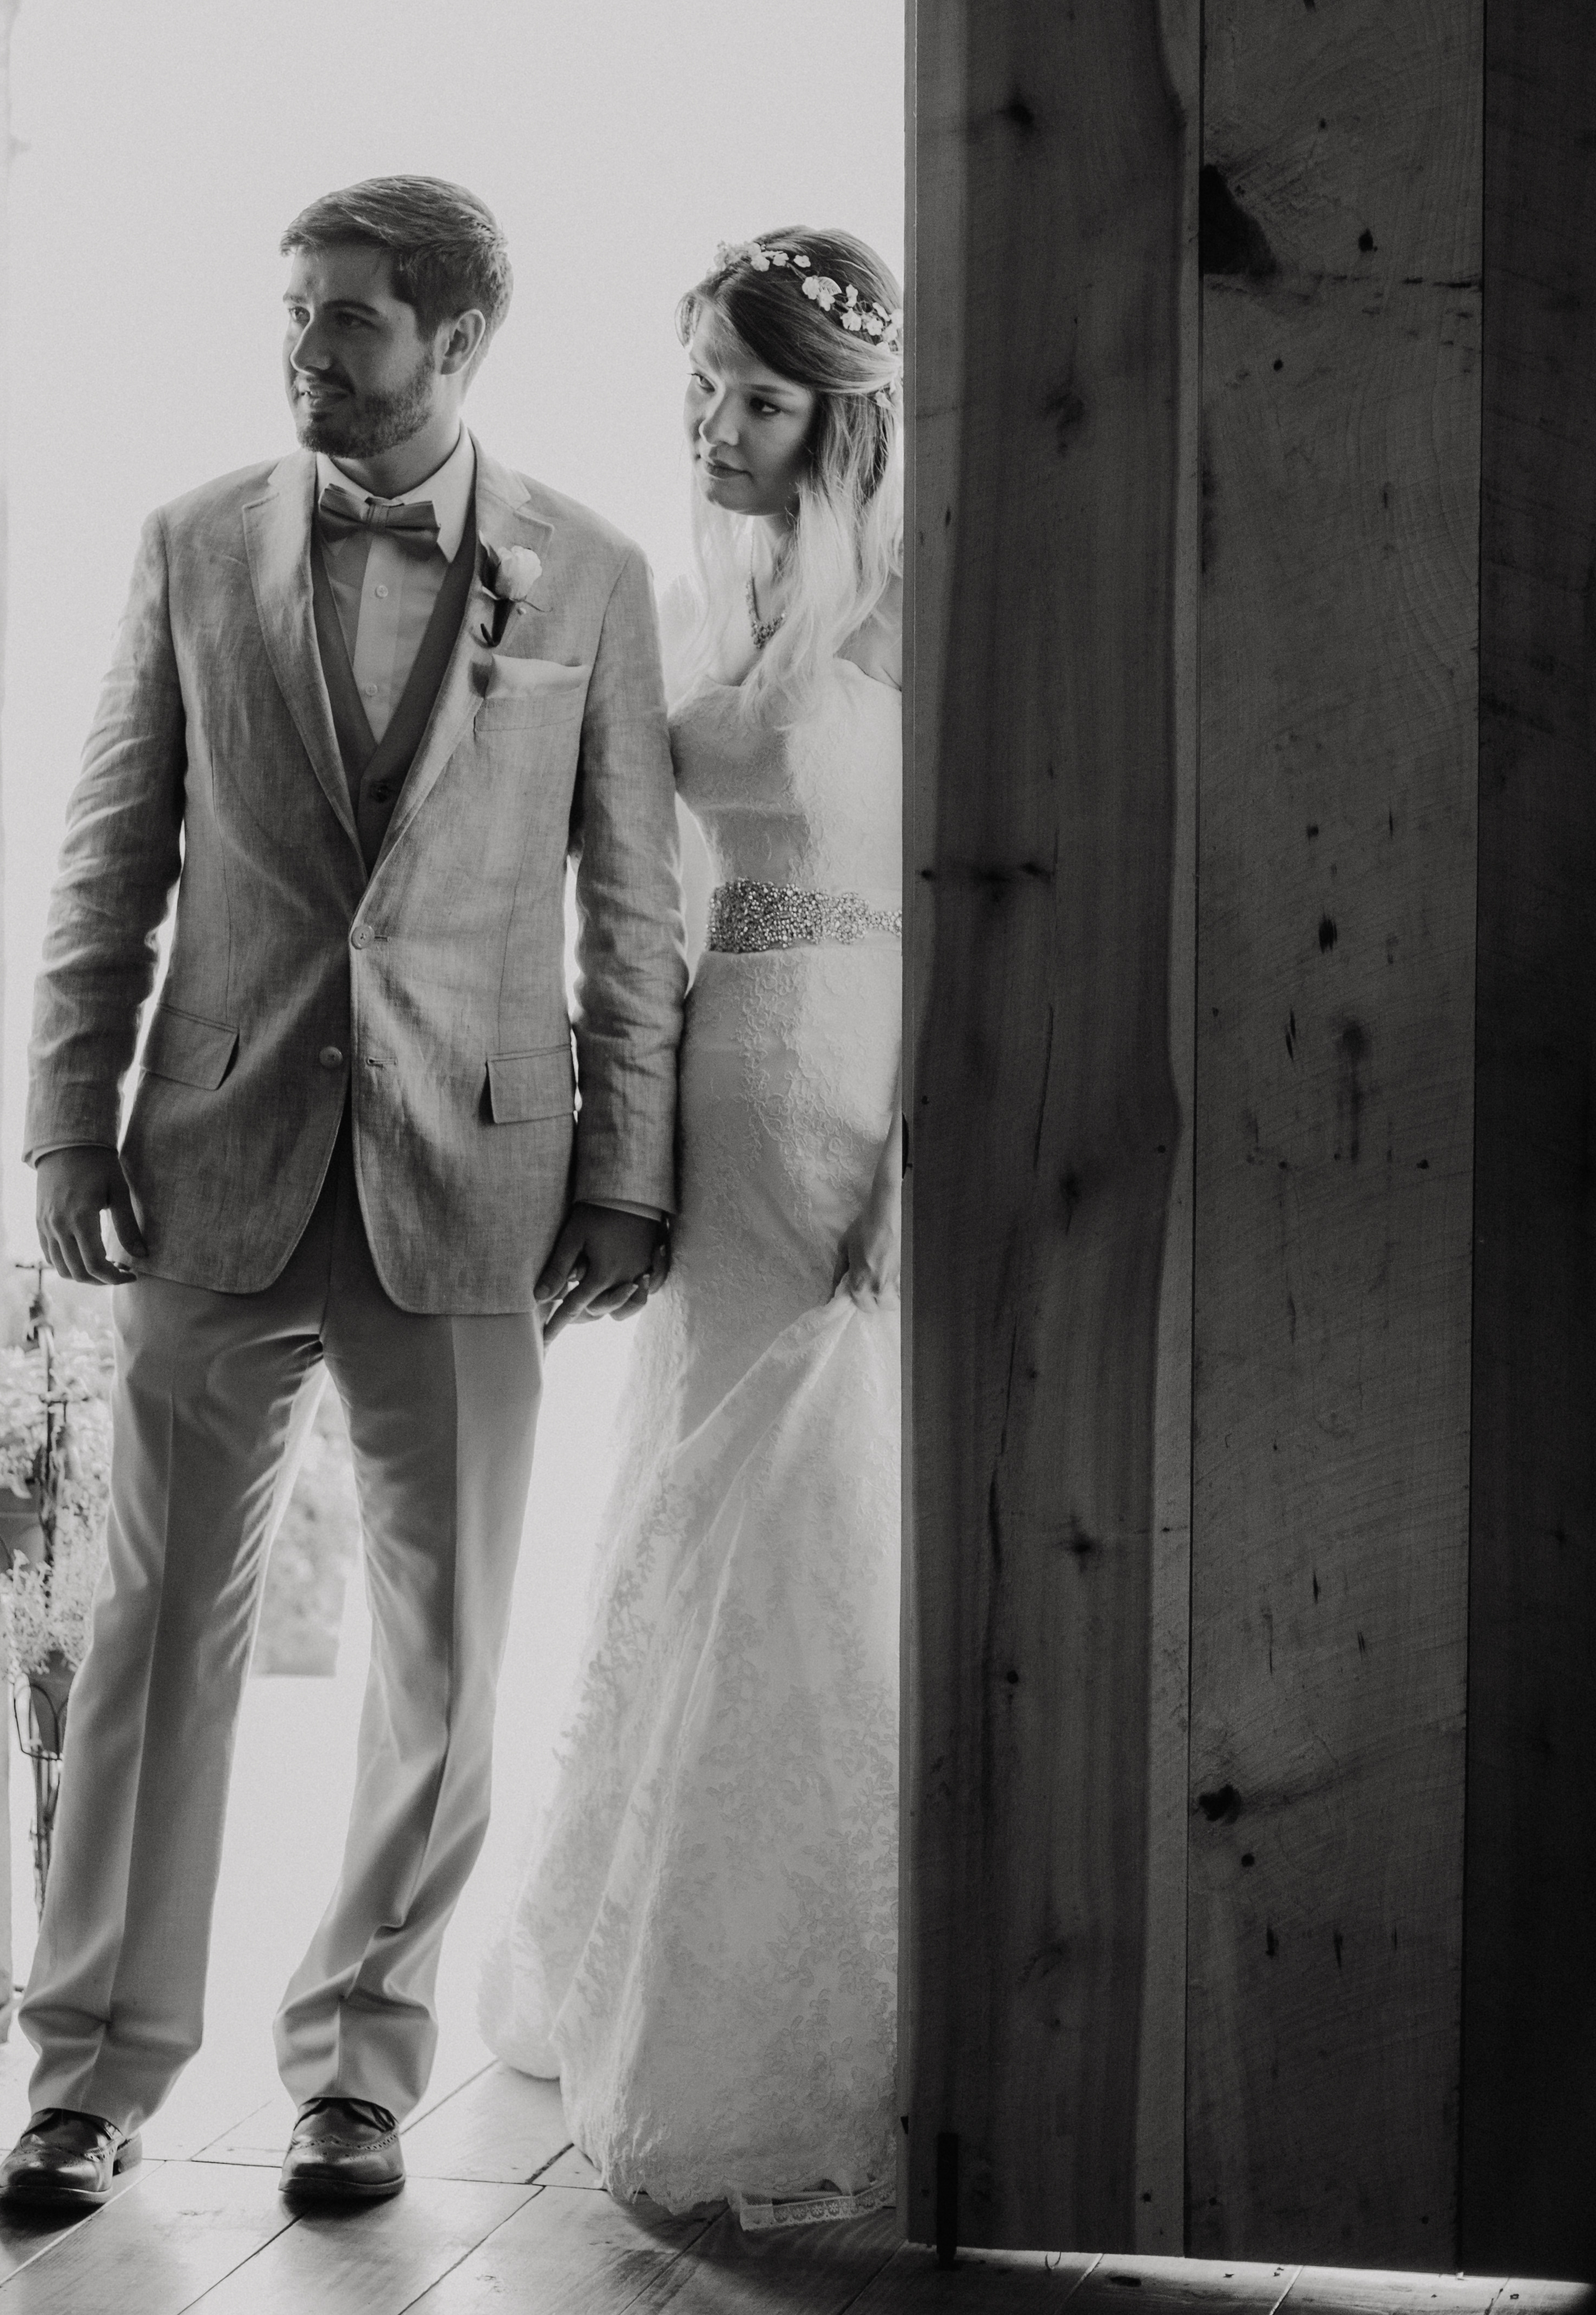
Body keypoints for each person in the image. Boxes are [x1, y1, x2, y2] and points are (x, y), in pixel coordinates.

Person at [0, 176, 685, 2214]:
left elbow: (633, 904)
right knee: (146, 1638)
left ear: (459, 342)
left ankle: (360, 2068)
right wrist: (62, 1121)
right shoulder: (194, 542)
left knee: (447, 1649)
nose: (304, 349)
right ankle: (89, 2074)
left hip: (474, 1179)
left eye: (352, 320)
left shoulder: (597, 574)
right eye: (296, 311)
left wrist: (628, 1175)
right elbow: (108, 857)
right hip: (208, 1161)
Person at [479, 228, 904, 2226]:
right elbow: (629, 869)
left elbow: (984, 905)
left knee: (810, 1517)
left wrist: (916, 1170)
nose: (716, 429)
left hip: (840, 1104)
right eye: (702, 392)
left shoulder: (915, 605)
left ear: (843, 418)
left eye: (757, 398)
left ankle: (817, 2017)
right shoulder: (706, 597)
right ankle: (660, 1954)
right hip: (710, 1089)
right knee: (688, 1500)